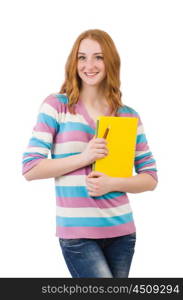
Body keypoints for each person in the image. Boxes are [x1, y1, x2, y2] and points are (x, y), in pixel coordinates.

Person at [22, 29, 158, 278]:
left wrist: (112, 183)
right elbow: (31, 168)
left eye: (98, 57)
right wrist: (85, 157)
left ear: (111, 62)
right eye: (82, 57)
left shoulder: (128, 115)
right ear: (74, 62)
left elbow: (150, 178)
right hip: (78, 234)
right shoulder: (57, 106)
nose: (89, 65)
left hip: (122, 232)